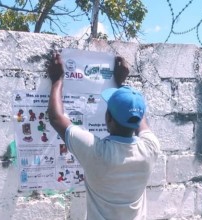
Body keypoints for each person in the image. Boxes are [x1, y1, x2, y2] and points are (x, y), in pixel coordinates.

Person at [47, 52, 160, 220]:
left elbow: (57, 118)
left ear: (108, 118)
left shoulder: (97, 152)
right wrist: (122, 85)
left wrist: (57, 79)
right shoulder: (150, 147)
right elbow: (138, 117)